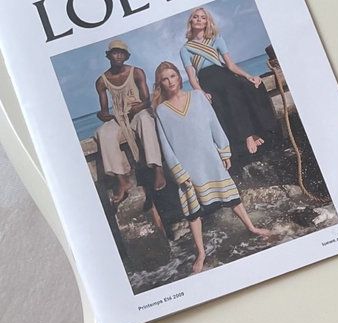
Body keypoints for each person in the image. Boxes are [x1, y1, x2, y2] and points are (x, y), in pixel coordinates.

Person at [152, 62, 275, 274]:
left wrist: (224, 150)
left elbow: (214, 124)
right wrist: (178, 171)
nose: (170, 81)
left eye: (172, 76)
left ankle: (251, 227)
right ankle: (201, 252)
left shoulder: (198, 97)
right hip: (187, 166)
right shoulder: (161, 111)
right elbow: (166, 146)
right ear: (160, 83)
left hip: (209, 157)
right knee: (193, 212)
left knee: (232, 196)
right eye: (165, 78)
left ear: (179, 77)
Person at [180, 7, 278, 165]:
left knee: (250, 87)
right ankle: (247, 136)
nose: (199, 19)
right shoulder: (185, 50)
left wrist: (249, 76)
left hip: (223, 74)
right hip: (206, 80)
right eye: (196, 17)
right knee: (222, 98)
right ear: (191, 20)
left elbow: (230, 65)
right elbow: (192, 78)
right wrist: (201, 92)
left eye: (203, 17)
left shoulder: (216, 39)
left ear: (207, 22)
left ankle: (254, 133)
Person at [94, 39, 165, 204]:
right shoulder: (102, 81)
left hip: (137, 112)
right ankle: (122, 180)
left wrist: (138, 107)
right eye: (115, 53)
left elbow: (147, 100)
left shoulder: (136, 72)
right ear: (109, 56)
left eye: (122, 53)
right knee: (103, 132)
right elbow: (104, 111)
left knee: (146, 120)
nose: (118, 56)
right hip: (119, 117)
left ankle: (158, 167)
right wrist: (103, 116)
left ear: (126, 56)